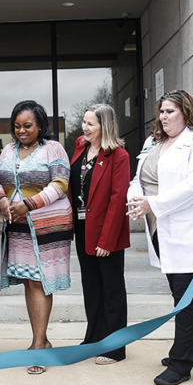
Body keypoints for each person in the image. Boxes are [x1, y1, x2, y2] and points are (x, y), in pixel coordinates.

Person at [127, 89, 193, 385]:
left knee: (184, 295)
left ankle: (181, 363)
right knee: (186, 292)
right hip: (159, 227)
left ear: (186, 112)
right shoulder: (154, 141)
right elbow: (138, 179)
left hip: (188, 228)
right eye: (161, 111)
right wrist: (135, 201)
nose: (163, 117)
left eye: (170, 111)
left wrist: (153, 204)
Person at [0, 100, 74, 375]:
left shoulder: (53, 148)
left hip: (47, 225)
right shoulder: (8, 150)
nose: (22, 131)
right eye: (17, 126)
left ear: (40, 125)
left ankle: (39, 344)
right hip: (17, 226)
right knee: (29, 282)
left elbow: (61, 184)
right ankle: (41, 340)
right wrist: (2, 200)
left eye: (28, 126)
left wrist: (29, 204)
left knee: (40, 282)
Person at [69, 103, 131, 365]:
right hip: (83, 229)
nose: (85, 127)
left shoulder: (119, 155)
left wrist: (106, 240)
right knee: (91, 287)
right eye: (84, 122)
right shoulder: (81, 148)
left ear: (104, 126)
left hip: (108, 233)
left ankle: (115, 347)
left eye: (91, 123)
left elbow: (118, 200)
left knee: (112, 289)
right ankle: (93, 338)